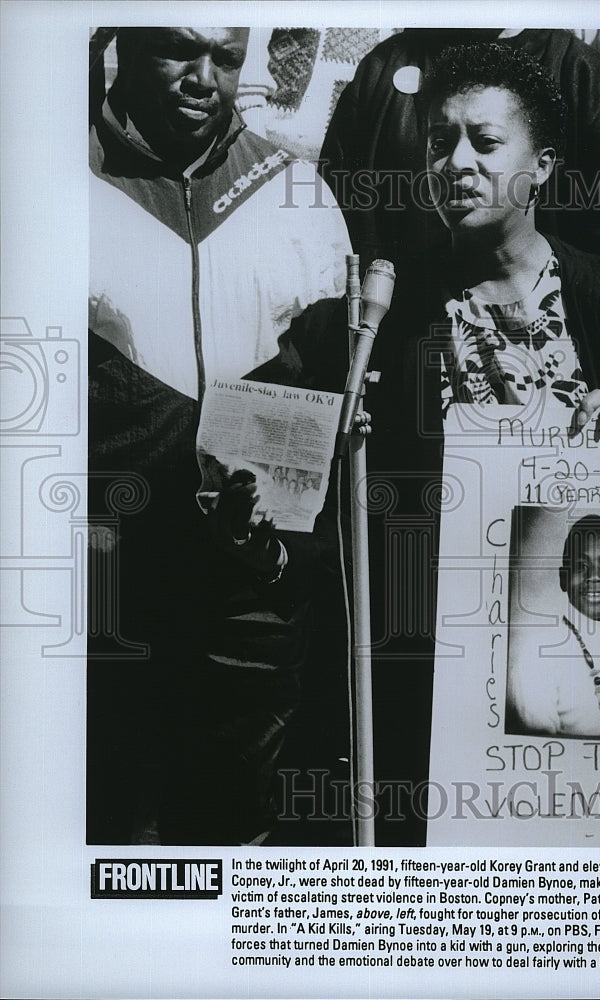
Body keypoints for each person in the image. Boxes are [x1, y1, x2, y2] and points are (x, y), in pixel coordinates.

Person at [360, 41, 600, 845]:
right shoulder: (389, 322)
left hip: (580, 734)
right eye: (439, 144)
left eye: (484, 143)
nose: (455, 163)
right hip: (428, 694)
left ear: (543, 163)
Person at [87, 27, 352, 845]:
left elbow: (333, 387)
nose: (205, 79)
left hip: (251, 594)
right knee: (114, 839)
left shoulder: (294, 187)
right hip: (108, 589)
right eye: (177, 49)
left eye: (227, 58)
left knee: (232, 839)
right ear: (118, 44)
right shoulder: (56, 179)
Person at [320, 28, 600, 279]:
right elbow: (326, 229)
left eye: (486, 141)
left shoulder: (580, 75)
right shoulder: (384, 70)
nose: (459, 162)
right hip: (394, 331)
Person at [506, 516, 600, 739]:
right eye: (581, 566)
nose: (594, 577)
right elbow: (540, 747)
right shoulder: (540, 653)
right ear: (563, 578)